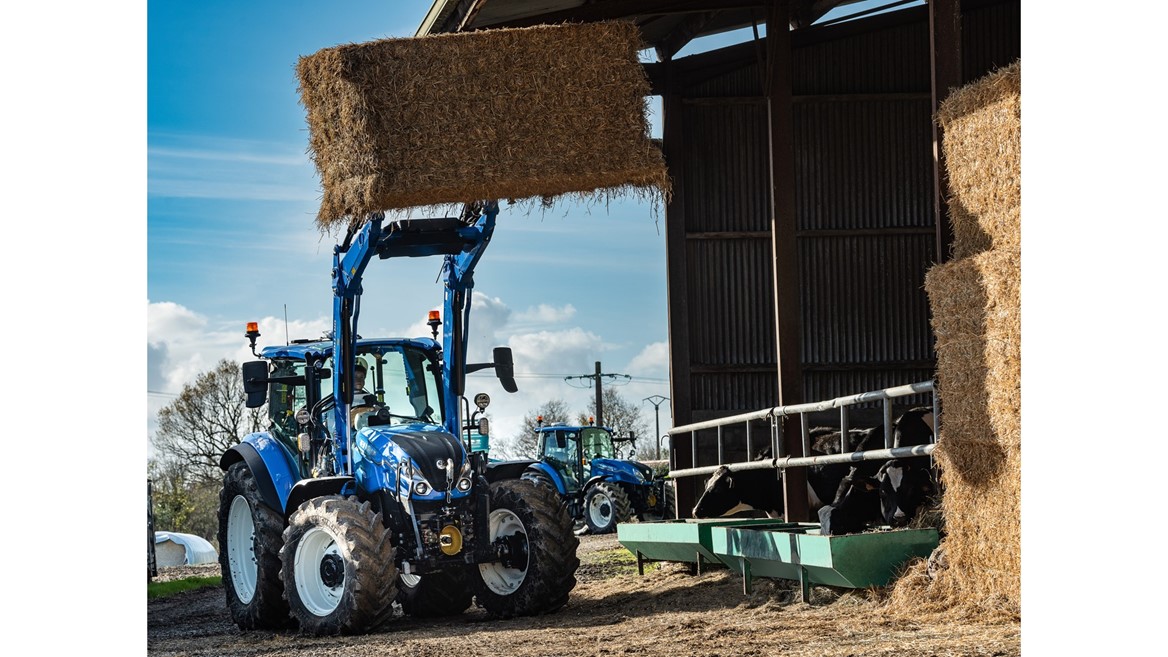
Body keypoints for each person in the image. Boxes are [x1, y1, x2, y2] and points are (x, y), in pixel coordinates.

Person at [295, 362, 371, 425]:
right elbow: (333, 428)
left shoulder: (371, 400)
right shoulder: (334, 402)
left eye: (362, 377)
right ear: (347, 379)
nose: (359, 380)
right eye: (355, 377)